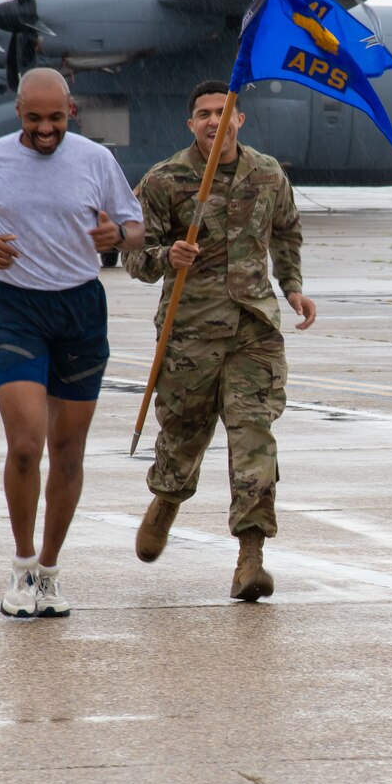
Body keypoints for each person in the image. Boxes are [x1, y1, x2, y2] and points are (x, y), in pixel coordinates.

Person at [0, 68, 144, 619]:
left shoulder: (96, 161)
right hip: (16, 308)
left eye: (56, 118)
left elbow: (136, 226)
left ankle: (50, 574)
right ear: (19, 115)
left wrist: (117, 237)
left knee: (69, 452)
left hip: (80, 308)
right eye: (35, 119)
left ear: (71, 111)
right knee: (27, 444)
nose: (46, 129)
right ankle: (22, 564)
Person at [125, 80, 315, 600]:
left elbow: (287, 232)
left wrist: (293, 287)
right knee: (183, 435)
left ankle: (250, 559)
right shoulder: (165, 180)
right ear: (191, 124)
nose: (215, 120)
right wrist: (168, 258)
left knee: (254, 439)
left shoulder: (268, 173)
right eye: (204, 113)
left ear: (239, 120)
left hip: (254, 330)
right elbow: (134, 256)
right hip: (189, 332)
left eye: (223, 112)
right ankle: (166, 499)